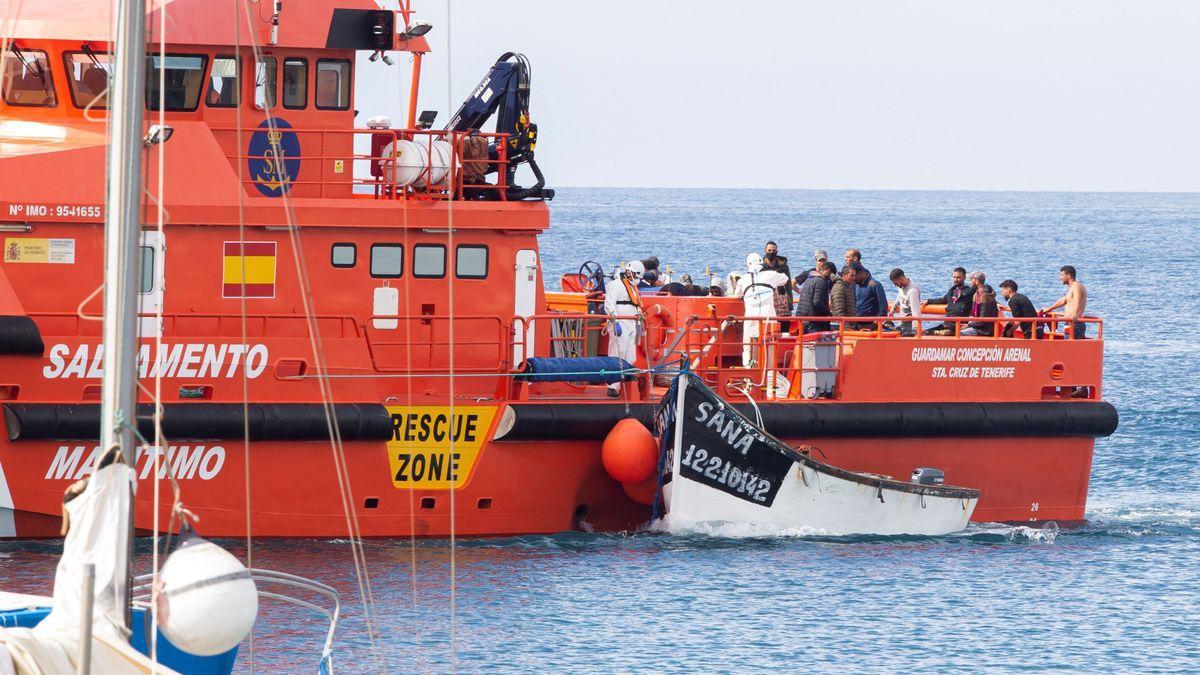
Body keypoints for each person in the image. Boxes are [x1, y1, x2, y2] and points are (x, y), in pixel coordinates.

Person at [734, 253, 789, 367]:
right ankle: (769, 370)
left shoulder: (743, 280)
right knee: (770, 343)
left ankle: (748, 369)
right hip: (768, 314)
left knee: (748, 344)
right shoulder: (770, 274)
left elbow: (737, 295)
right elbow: (785, 278)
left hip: (751, 315)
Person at [603, 261, 644, 397]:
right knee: (617, 354)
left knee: (629, 355)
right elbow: (609, 304)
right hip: (619, 323)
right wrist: (614, 321)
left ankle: (627, 384)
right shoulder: (615, 286)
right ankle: (613, 386)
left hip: (631, 323)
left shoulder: (632, 288)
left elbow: (635, 304)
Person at [1043, 265, 1088, 338]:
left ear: (1068, 275)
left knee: (1069, 348)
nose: (1060, 278)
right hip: (1071, 323)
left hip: (1074, 323)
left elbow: (1078, 300)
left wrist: (1074, 314)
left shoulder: (1076, 286)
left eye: (1061, 275)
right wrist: (1048, 309)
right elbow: (1063, 300)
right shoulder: (1072, 288)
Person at [926, 267, 972, 335]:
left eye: (958, 277)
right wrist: (928, 301)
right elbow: (943, 299)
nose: (955, 280)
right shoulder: (952, 290)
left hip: (959, 325)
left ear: (964, 277)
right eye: (954, 277)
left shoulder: (970, 291)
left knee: (943, 333)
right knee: (925, 332)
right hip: (947, 324)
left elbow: (982, 294)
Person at [795, 261, 836, 333]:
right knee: (816, 342)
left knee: (805, 342)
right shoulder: (821, 281)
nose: (831, 278)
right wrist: (828, 313)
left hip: (802, 317)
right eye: (832, 275)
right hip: (813, 320)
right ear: (828, 271)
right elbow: (817, 302)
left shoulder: (809, 278)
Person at [762, 241, 792, 330]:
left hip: (782, 303)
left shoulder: (783, 267)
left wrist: (790, 303)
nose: (771, 252)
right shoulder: (760, 267)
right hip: (767, 302)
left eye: (773, 251)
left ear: (777, 251)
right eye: (769, 250)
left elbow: (789, 285)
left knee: (784, 330)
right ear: (765, 250)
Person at [852, 262, 888, 328]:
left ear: (861, 273)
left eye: (854, 276)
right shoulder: (855, 285)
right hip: (856, 322)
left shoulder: (875, 284)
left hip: (871, 324)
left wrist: (877, 322)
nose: (853, 278)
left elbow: (883, 306)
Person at [888, 268, 922, 337]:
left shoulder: (912, 292)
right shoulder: (901, 286)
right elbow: (900, 295)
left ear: (901, 279)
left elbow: (916, 313)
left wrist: (915, 330)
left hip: (908, 327)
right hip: (901, 323)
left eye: (896, 283)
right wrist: (893, 309)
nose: (895, 285)